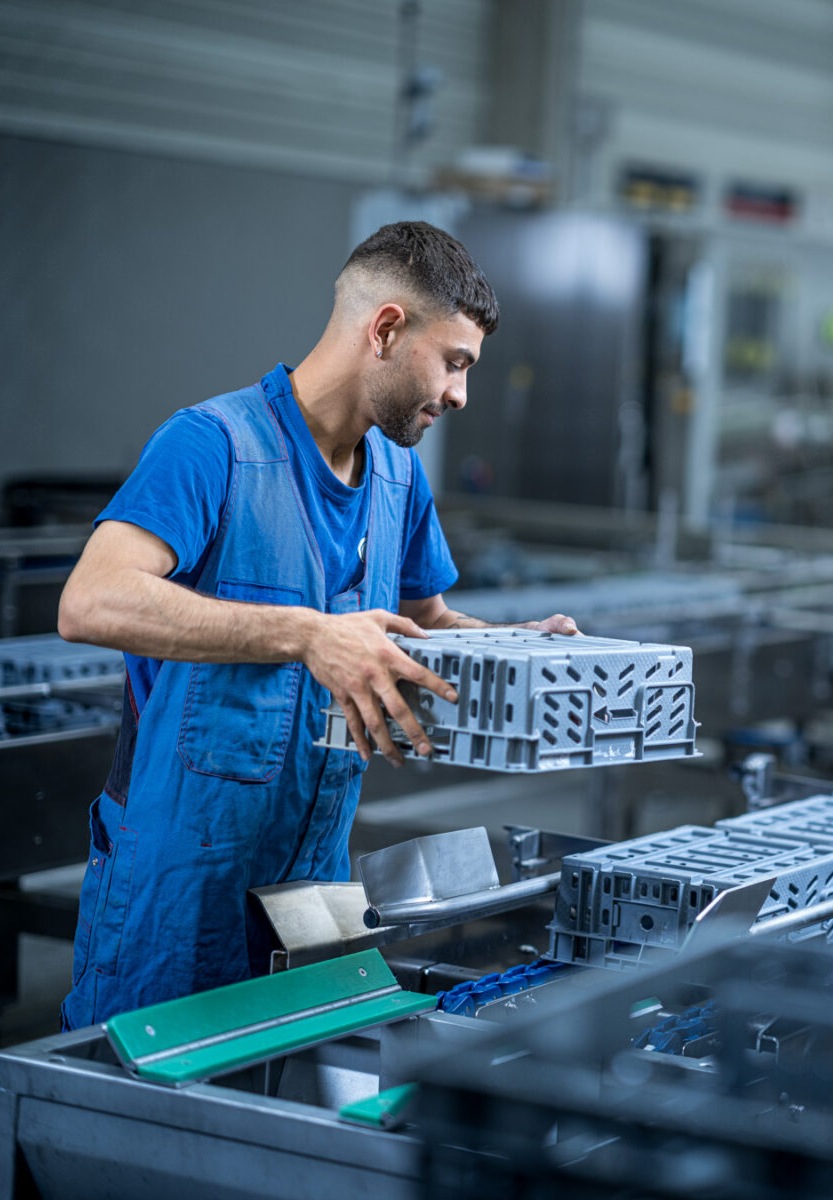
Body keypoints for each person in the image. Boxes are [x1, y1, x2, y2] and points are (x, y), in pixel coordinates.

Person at [55, 221, 576, 1029]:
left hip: (316, 893)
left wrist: (514, 649)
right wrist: (307, 633)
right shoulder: (213, 446)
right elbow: (91, 601)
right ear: (387, 329)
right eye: (454, 362)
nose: (460, 395)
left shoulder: (398, 477)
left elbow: (428, 621)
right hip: (175, 892)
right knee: (150, 1094)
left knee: (291, 1090)